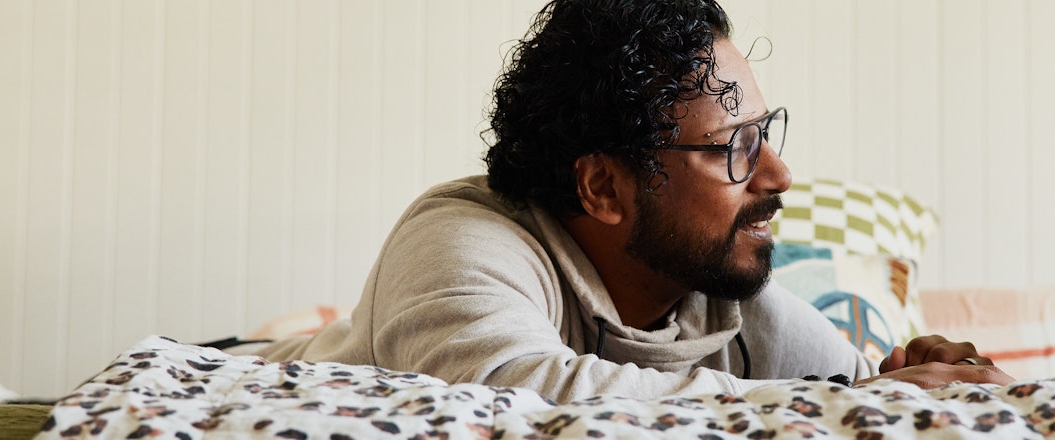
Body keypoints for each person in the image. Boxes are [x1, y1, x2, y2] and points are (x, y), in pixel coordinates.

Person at [256, 0, 1013, 402]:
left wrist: (917, 383)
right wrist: (817, 410)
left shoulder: (721, 295)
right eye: (732, 146)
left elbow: (851, 395)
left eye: (765, 133)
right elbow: (517, 400)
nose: (777, 175)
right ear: (602, 188)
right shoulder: (461, 242)